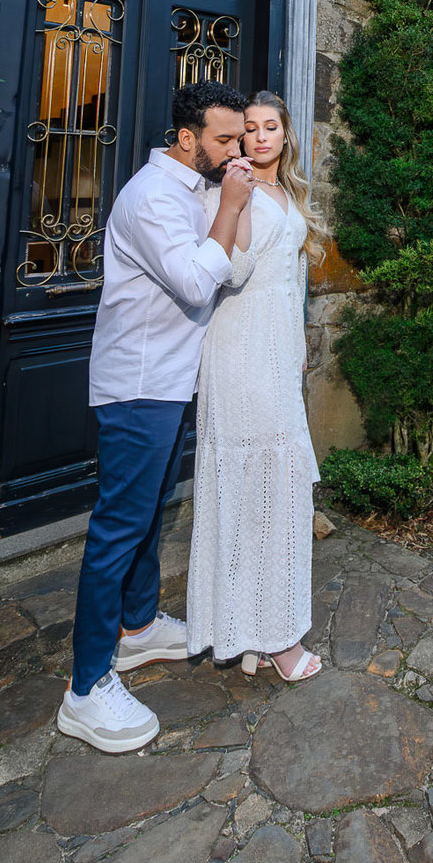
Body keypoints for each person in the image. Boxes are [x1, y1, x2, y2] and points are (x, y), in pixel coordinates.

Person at [56, 80, 254, 753]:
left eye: (239, 137)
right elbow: (198, 281)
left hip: (170, 381)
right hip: (138, 386)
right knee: (117, 528)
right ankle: (86, 688)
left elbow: (218, 271)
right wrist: (232, 205)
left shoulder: (193, 190)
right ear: (187, 137)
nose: (236, 151)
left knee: (148, 513)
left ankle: (137, 628)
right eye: (224, 139)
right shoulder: (151, 197)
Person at [186, 90, 326, 680]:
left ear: (285, 135)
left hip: (276, 350)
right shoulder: (230, 188)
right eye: (251, 127)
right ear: (240, 136)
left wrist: (297, 348)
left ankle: (254, 631)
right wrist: (236, 200)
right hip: (240, 350)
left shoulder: (288, 191)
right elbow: (234, 270)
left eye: (272, 126)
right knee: (260, 490)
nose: (262, 136)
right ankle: (276, 639)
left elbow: (291, 278)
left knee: (273, 489)